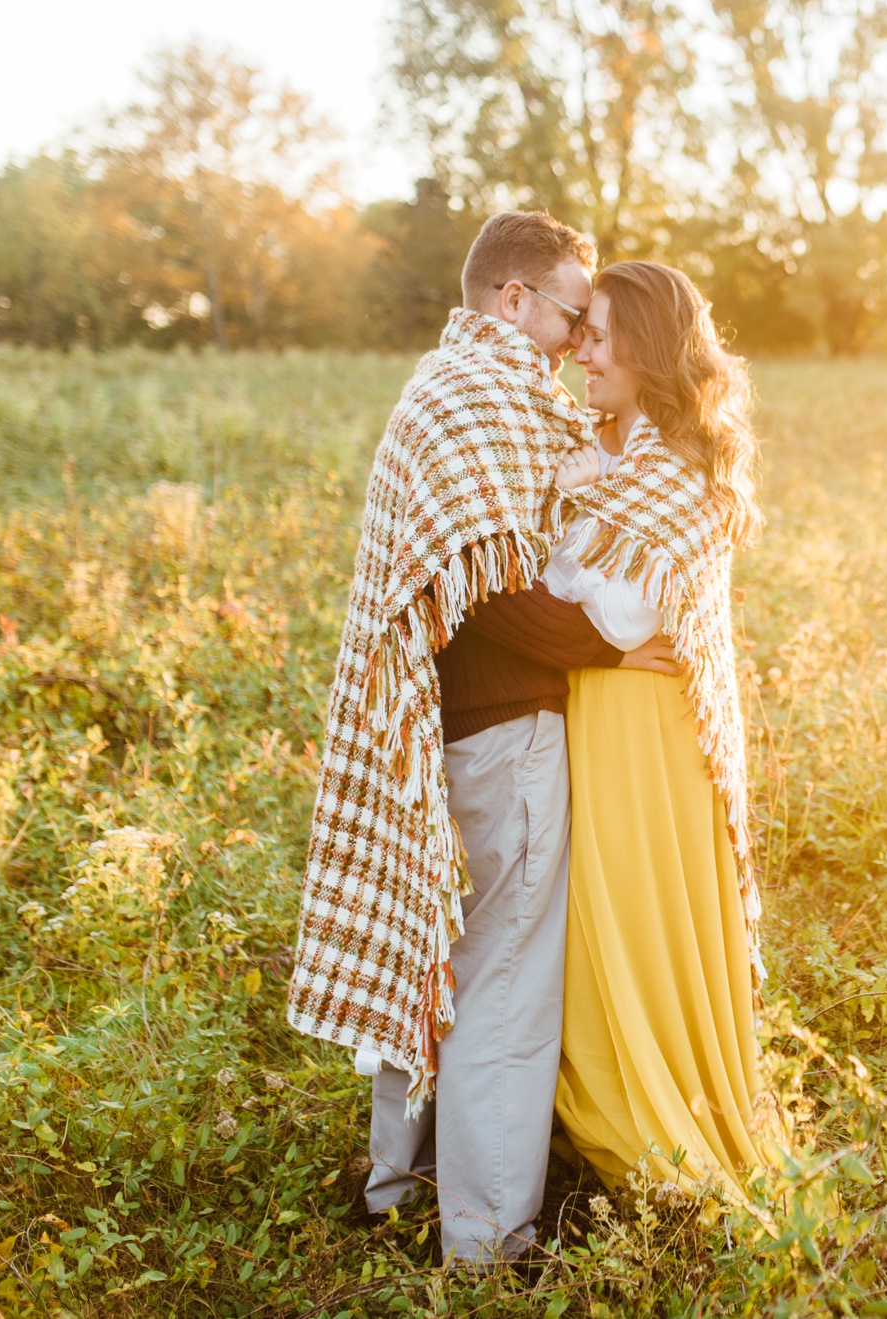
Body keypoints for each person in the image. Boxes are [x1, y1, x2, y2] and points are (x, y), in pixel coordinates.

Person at [285, 212, 677, 1264]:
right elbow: (495, 585)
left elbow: (482, 556)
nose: (574, 339)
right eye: (568, 312)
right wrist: (603, 642)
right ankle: (488, 1238)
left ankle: (396, 1187)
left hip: (439, 734)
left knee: (437, 954)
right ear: (513, 302)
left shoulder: (441, 392)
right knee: (504, 973)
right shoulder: (485, 397)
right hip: (503, 729)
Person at [544, 261, 780, 1195]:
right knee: (597, 917)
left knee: (637, 916)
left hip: (646, 728)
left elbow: (616, 612)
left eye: (597, 334)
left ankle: (651, 1128)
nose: (581, 352)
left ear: (643, 346)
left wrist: (576, 508)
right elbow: (585, 594)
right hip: (604, 710)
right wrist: (585, 490)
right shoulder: (616, 457)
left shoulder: (674, 470)